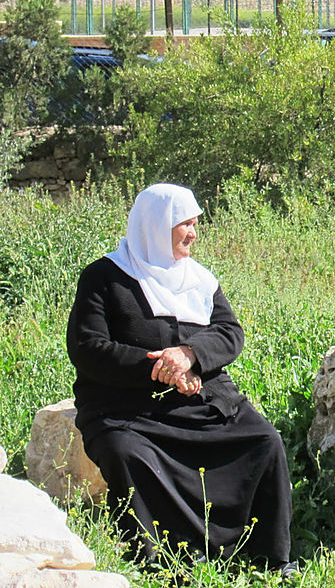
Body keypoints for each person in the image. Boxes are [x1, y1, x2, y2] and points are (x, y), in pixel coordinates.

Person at [67, 184, 294, 577]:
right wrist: (157, 367)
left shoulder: (200, 281)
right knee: (127, 455)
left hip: (200, 399)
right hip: (127, 408)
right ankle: (166, 561)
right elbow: (87, 347)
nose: (193, 233)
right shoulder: (104, 277)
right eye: (184, 224)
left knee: (265, 441)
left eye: (194, 224)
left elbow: (229, 332)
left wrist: (190, 356)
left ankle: (267, 557)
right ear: (156, 226)